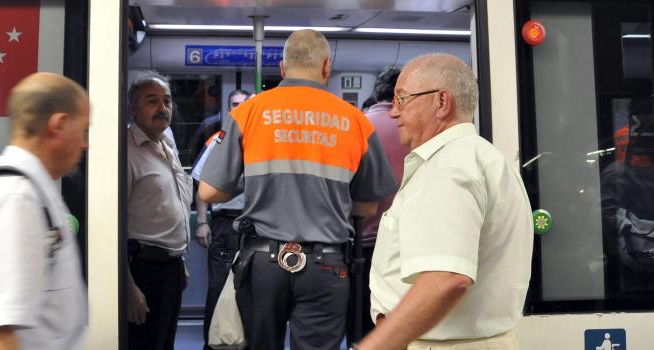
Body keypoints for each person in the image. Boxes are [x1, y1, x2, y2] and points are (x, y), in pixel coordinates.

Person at [199, 29, 397, 350]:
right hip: (328, 265)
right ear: (326, 67)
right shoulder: (356, 122)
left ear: (282, 68)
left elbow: (209, 193)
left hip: (262, 263)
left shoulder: (248, 113)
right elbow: (367, 208)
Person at [354, 54, 533, 350]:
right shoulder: (479, 156)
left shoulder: (450, 168)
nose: (393, 113)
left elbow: (447, 278)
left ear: (441, 102)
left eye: (402, 99)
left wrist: (375, 346)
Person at [0, 72, 89, 349]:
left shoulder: (35, 190)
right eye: (84, 130)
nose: (85, 144)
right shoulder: (12, 198)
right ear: (59, 125)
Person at [126, 71, 192, 350]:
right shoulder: (126, 151)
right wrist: (127, 287)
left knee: (166, 343)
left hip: (172, 267)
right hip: (143, 270)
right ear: (133, 110)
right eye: (152, 101)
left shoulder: (167, 145)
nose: (162, 108)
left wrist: (179, 260)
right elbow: (113, 225)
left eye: (167, 101)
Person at [347, 65, 408, 343]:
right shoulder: (419, 130)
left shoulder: (355, 125)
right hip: (407, 247)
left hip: (361, 245)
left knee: (362, 328)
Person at [191, 89, 251, 350]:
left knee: (250, 293)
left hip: (253, 225)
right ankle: (212, 345)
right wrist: (202, 222)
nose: (237, 109)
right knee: (218, 291)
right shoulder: (218, 140)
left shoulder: (259, 140)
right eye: (233, 105)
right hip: (225, 223)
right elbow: (202, 184)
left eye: (242, 105)